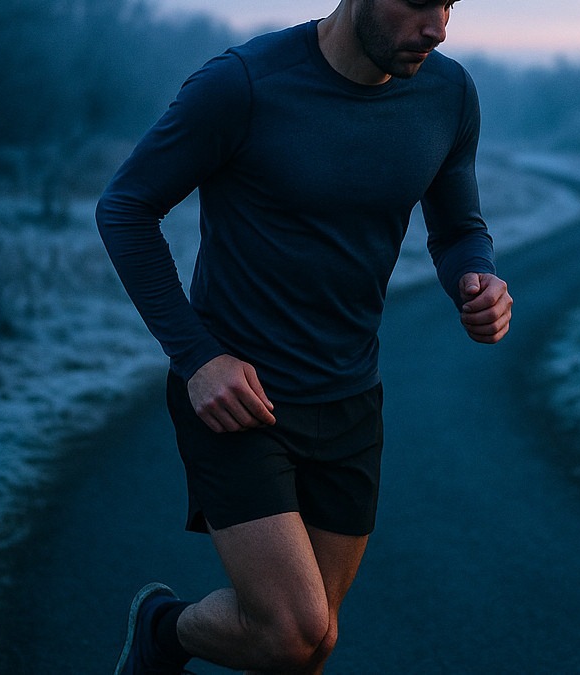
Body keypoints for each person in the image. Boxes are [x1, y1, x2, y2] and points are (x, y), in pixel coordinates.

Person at [96, 1, 512, 672]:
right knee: (291, 627)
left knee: (314, 643)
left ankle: (163, 632)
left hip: (351, 397)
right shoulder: (243, 84)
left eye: (449, 4)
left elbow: (459, 227)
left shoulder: (447, 91)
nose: (436, 27)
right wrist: (198, 358)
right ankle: (163, 629)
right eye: (417, 2)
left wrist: (477, 279)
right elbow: (126, 208)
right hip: (238, 398)